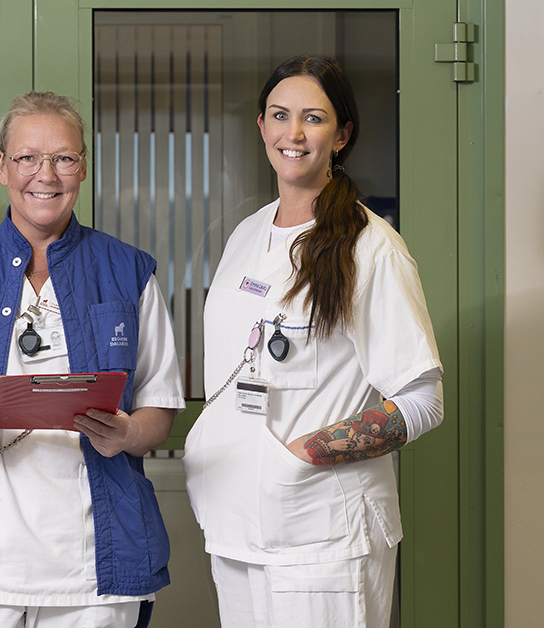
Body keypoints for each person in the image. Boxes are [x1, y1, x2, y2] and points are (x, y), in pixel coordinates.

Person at [0, 91, 185, 628]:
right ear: (3, 167)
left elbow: (159, 415)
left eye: (64, 158)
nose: (44, 175)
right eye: (27, 158)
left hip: (94, 572)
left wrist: (124, 435)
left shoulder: (129, 273)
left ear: (83, 169)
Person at [183, 56, 444, 627]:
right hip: (233, 523)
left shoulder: (371, 247)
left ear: (342, 135)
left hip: (322, 533)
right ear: (261, 127)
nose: (293, 134)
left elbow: (421, 402)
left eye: (313, 118)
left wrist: (301, 457)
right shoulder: (245, 235)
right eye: (280, 116)